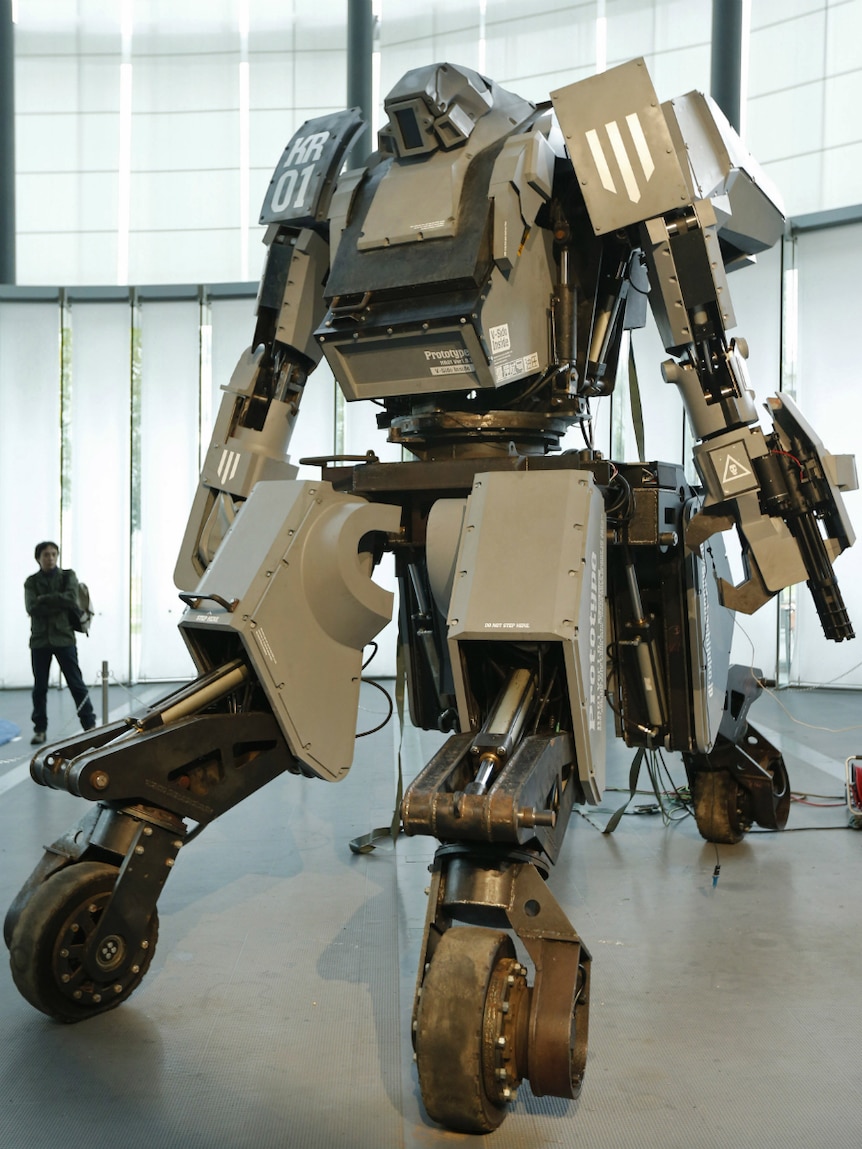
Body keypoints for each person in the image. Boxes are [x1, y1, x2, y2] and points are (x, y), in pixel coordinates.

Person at [24, 541, 96, 744]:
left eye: (54, 554)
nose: (50, 558)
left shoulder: (68, 576)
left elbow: (71, 599)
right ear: (38, 558)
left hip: (64, 638)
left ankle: (89, 724)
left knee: (76, 684)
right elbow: (32, 608)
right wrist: (57, 601)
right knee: (40, 688)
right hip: (39, 641)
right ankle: (40, 729)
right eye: (46, 554)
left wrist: (44, 599)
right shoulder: (31, 582)